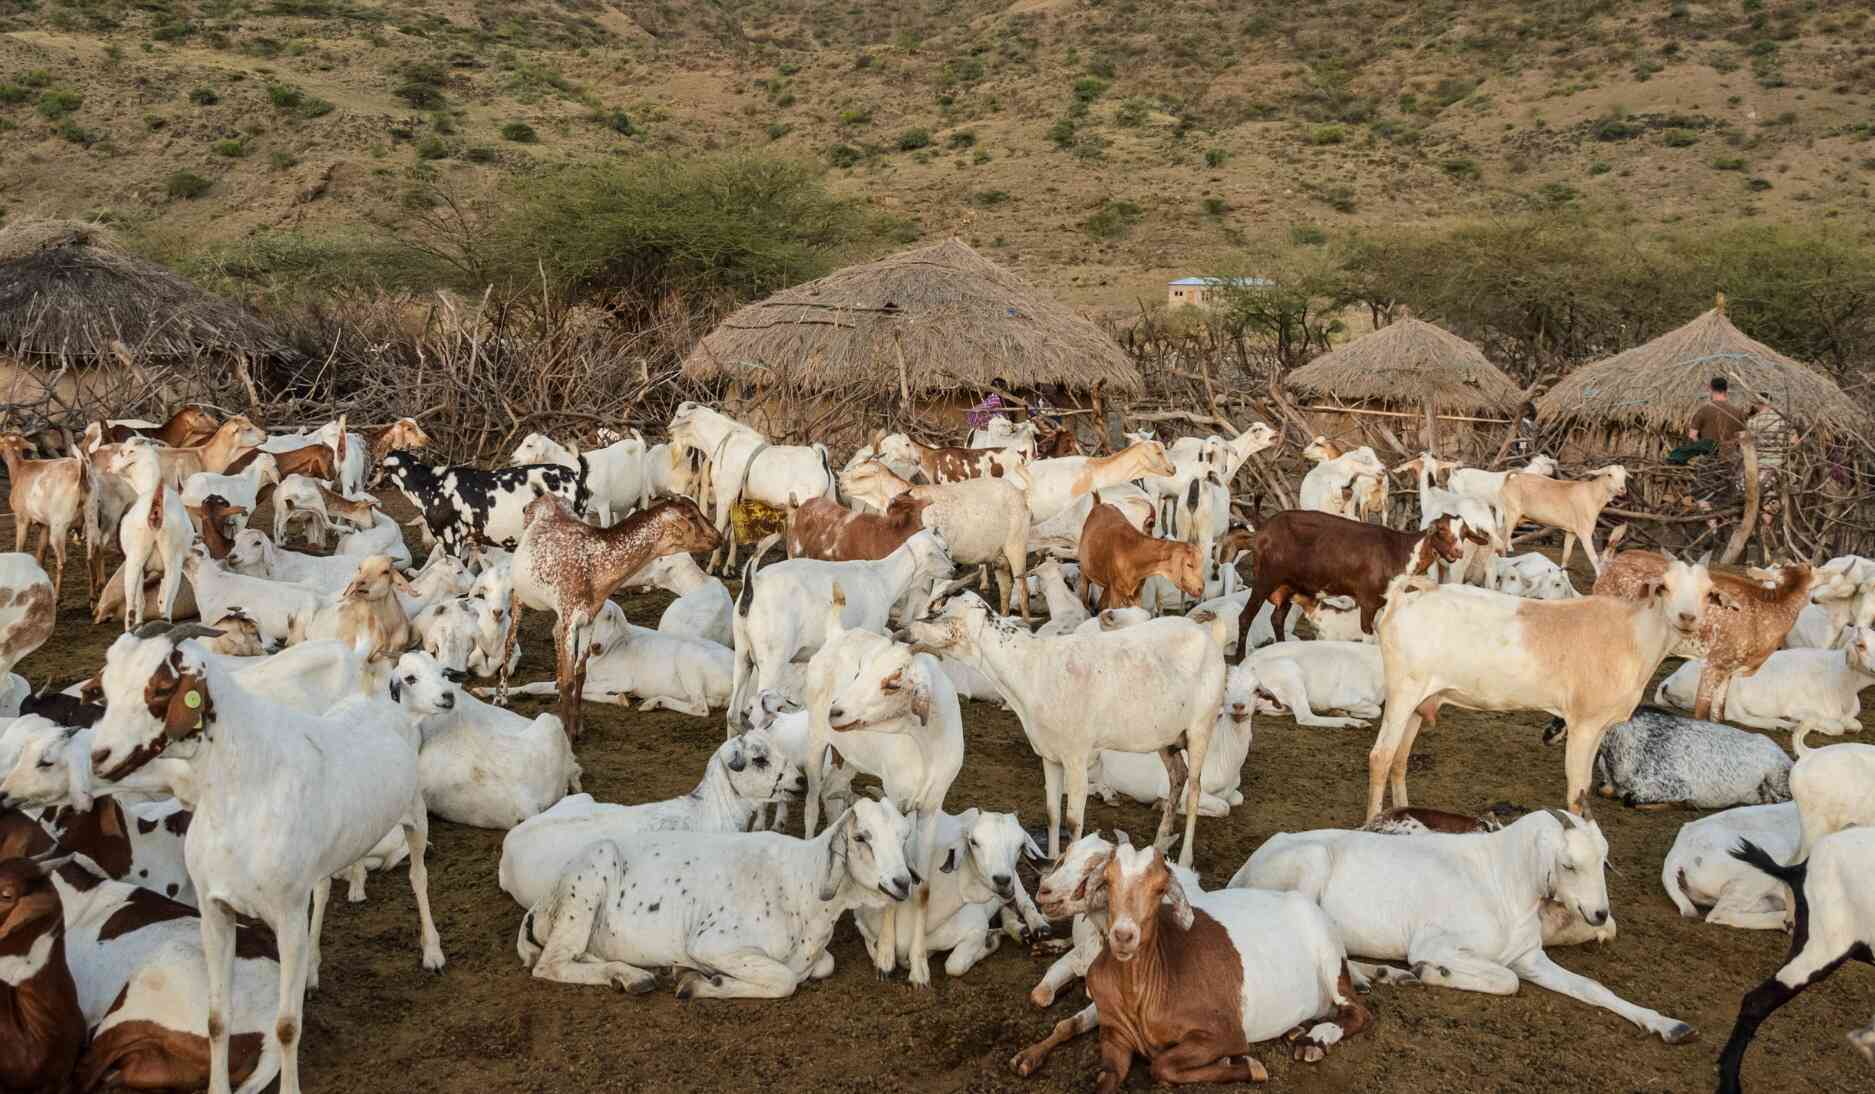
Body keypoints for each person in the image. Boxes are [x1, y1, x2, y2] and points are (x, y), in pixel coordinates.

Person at [1667, 375, 1748, 464]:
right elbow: (1743, 437)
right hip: (1731, 459)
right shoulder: (1738, 412)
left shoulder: (1704, 410)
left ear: (1710, 389)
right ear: (1726, 389)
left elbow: (1692, 435)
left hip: (1708, 461)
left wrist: (1703, 447)